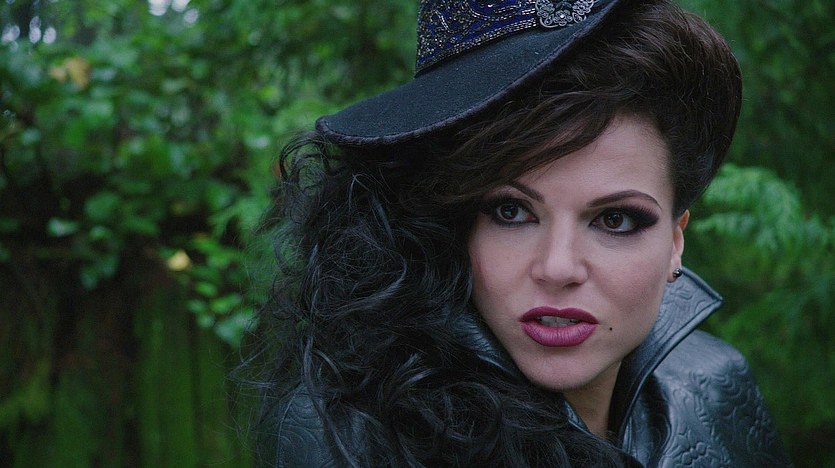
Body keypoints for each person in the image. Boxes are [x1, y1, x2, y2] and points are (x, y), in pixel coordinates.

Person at [247, 0, 792, 466]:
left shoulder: (719, 385)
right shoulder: (347, 433)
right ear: (453, 226)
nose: (558, 267)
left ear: (675, 242)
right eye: (511, 212)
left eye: (615, 219)